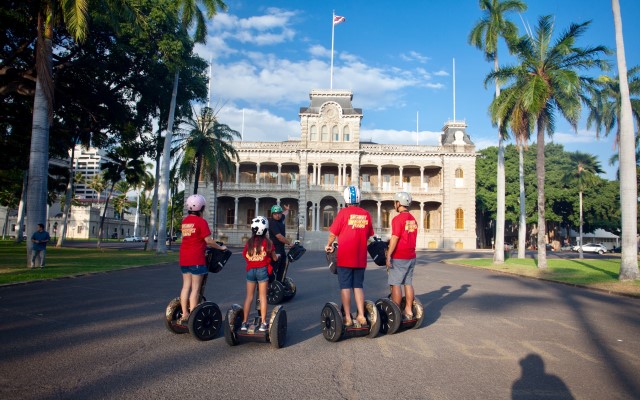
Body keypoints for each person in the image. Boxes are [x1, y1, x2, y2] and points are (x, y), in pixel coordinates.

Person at [325, 185, 374, 327]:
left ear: (346, 199)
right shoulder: (366, 214)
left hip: (345, 256)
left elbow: (333, 233)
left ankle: (347, 317)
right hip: (360, 257)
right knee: (358, 286)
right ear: (359, 198)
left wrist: (328, 245)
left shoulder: (343, 213)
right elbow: (369, 235)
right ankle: (361, 315)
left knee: (345, 287)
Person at [178, 194, 227, 324]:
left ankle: (185, 314)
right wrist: (220, 248)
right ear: (202, 207)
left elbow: (190, 238)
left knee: (185, 287)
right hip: (196, 258)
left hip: (184, 257)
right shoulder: (201, 222)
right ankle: (194, 317)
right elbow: (209, 241)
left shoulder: (185, 221)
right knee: (195, 289)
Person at [241, 216, 279, 332]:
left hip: (251, 271)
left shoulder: (249, 242)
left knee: (249, 297)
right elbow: (274, 258)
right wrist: (277, 256)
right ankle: (263, 323)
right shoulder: (268, 242)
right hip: (262, 270)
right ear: (266, 230)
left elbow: (244, 255)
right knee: (263, 297)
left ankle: (244, 322)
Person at [386, 191, 418, 320]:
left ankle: (396, 312)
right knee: (408, 283)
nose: (394, 204)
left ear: (398, 203)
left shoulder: (397, 219)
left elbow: (395, 237)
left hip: (400, 256)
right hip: (411, 255)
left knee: (396, 283)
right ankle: (409, 311)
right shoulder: (413, 219)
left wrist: (389, 255)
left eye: (395, 202)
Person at [268, 203, 290, 282]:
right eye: (275, 214)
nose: (277, 215)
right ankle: (271, 285)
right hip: (275, 249)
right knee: (274, 268)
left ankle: (279, 283)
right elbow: (279, 237)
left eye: (279, 214)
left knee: (282, 267)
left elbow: (284, 214)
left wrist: (287, 209)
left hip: (281, 248)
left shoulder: (281, 218)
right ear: (272, 214)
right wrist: (289, 243)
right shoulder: (272, 223)